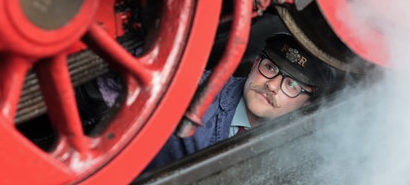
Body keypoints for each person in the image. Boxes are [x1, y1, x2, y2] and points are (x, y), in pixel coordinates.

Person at [143, 32, 338, 172]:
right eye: (270, 68)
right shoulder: (194, 93)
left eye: (292, 85)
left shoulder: (306, 149)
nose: (272, 86)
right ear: (255, 64)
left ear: (306, 104)